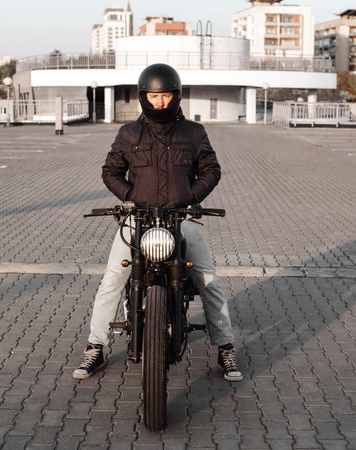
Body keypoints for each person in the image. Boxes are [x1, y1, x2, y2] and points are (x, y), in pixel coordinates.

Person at [73, 63, 242, 382]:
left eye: (165, 96)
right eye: (154, 96)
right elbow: (110, 171)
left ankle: (225, 348)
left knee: (208, 280)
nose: (160, 102)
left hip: (182, 217)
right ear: (143, 97)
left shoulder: (194, 132)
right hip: (138, 218)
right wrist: (131, 195)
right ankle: (95, 346)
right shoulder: (128, 133)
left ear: (176, 96)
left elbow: (212, 170)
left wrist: (191, 196)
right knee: (112, 278)